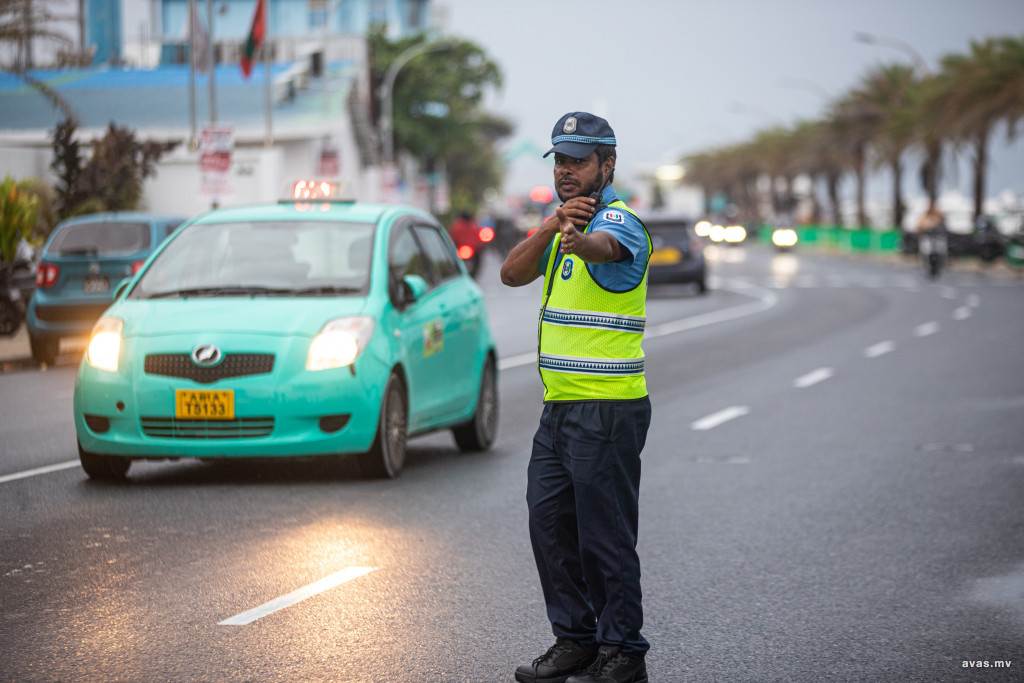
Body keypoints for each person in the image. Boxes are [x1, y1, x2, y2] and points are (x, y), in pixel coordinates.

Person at [500, 112, 652, 683]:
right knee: (551, 529)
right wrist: (552, 227)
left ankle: (624, 652)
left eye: (579, 161)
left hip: (608, 409)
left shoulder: (621, 222)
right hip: (559, 409)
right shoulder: (559, 223)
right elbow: (511, 274)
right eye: (560, 161)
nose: (566, 170)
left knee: (604, 537)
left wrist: (577, 239)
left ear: (607, 165)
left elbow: (604, 249)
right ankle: (576, 641)